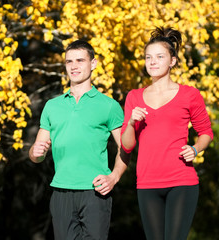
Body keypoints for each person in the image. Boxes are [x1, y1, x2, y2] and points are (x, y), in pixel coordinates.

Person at [29, 40, 129, 240]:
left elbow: (125, 148)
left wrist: (114, 177)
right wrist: (36, 152)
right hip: (61, 192)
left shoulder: (109, 106)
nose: (74, 66)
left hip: (95, 191)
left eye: (80, 60)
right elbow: (35, 155)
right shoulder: (52, 106)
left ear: (93, 63)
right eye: (69, 62)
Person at [121, 27, 213, 240]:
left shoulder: (189, 94)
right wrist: (131, 122)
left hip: (181, 180)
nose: (152, 62)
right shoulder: (134, 97)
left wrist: (195, 148)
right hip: (147, 183)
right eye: (148, 57)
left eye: (159, 57)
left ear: (172, 61)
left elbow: (206, 132)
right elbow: (127, 146)